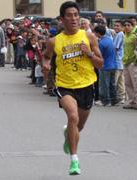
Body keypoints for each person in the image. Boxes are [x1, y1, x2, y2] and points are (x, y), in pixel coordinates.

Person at [42, 1, 103, 175]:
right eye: (69, 15)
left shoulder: (89, 37)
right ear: (62, 19)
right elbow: (46, 57)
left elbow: (100, 63)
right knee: (73, 116)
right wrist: (46, 65)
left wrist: (89, 53)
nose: (74, 18)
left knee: (78, 126)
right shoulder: (54, 41)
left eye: (76, 15)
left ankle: (68, 135)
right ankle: (74, 160)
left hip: (86, 85)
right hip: (65, 85)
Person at [94, 25, 118, 106]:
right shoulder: (110, 40)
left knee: (104, 84)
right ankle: (114, 100)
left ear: (98, 33)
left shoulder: (101, 43)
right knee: (112, 84)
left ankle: (105, 101)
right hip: (113, 64)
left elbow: (99, 55)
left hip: (105, 66)